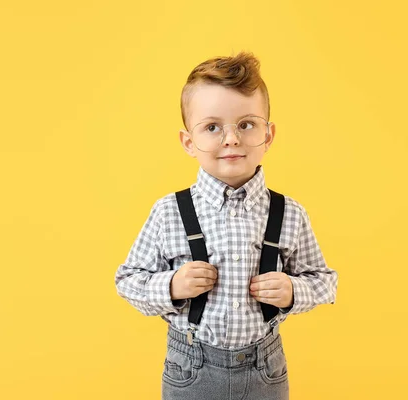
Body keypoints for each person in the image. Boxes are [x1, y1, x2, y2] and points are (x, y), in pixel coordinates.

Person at [115, 51, 338, 400]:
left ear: (269, 134)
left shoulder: (289, 213)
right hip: (191, 367)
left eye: (247, 124)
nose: (231, 139)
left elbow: (324, 282)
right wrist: (171, 284)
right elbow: (128, 280)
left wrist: (294, 291)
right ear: (189, 141)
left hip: (265, 367)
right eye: (212, 127)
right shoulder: (168, 211)